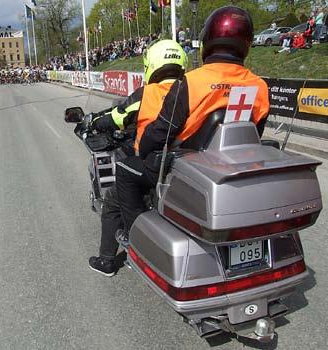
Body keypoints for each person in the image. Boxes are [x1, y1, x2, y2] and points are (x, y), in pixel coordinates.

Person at [114, 6, 270, 249]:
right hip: (234, 164)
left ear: (207, 40)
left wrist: (141, 148)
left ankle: (135, 237)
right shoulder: (259, 86)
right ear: (247, 43)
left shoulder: (192, 81)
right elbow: (255, 134)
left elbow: (161, 131)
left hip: (186, 165)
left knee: (125, 169)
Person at [88, 40, 187, 277]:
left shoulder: (148, 93)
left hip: (155, 165)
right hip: (185, 163)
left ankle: (108, 260)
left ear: (151, 64)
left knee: (113, 198)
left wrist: (94, 123)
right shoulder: (189, 91)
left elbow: (117, 116)